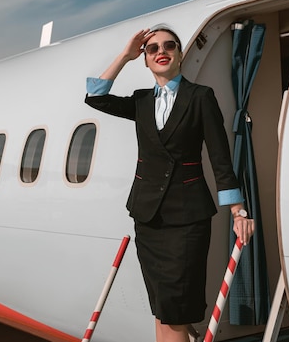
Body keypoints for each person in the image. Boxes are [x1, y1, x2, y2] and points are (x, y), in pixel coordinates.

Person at [84, 24, 254, 342]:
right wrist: (125, 55)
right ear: (146, 60)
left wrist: (237, 211)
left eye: (169, 46)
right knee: (162, 308)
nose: (161, 51)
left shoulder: (200, 97)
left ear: (179, 55)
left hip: (188, 218)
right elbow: (95, 97)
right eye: (152, 49)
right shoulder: (141, 101)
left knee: (177, 309)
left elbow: (220, 157)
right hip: (148, 216)